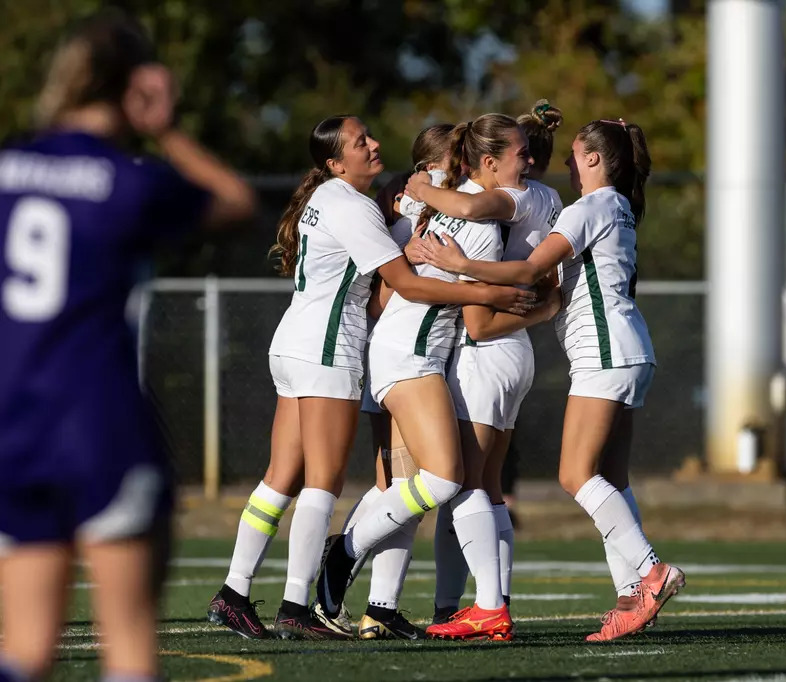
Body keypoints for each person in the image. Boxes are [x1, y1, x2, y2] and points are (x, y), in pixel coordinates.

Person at [206, 115, 535, 641]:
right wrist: (488, 291)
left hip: (297, 341)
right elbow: (403, 285)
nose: (376, 144)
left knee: (282, 478)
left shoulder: (340, 200)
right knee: (324, 484)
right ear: (336, 163)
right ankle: (297, 605)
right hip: (329, 348)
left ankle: (235, 592)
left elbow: (393, 273)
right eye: (362, 142)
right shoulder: (354, 204)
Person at [0, 11, 256, 682]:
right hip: (97, 419)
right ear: (134, 85)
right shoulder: (128, 179)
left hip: (12, 422)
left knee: (24, 653)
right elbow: (234, 202)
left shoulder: (7, 169)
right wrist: (164, 129)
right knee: (131, 657)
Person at [414, 118, 686, 642]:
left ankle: (650, 573)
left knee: (575, 475)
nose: (563, 164)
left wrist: (459, 263)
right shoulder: (619, 206)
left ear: (592, 160)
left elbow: (526, 271)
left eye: (574, 155)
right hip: (630, 351)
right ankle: (632, 593)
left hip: (603, 355)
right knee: (612, 479)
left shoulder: (592, 206)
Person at [314, 113, 562, 642]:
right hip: (412, 356)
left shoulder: (448, 206)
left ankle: (387, 605)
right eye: (517, 157)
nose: (527, 166)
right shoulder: (477, 219)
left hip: (411, 352)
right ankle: (348, 549)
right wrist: (498, 294)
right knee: (449, 480)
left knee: (418, 486)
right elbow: (470, 315)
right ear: (485, 163)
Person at [403, 100, 564, 630]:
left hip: (487, 349)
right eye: (522, 154)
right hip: (514, 352)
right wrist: (542, 309)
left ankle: (489, 608)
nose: (530, 163)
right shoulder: (544, 196)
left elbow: (476, 321)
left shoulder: (499, 201)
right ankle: (469, 604)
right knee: (487, 487)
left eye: (523, 152)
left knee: (466, 486)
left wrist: (422, 192)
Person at [336, 123, 458, 641]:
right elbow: (379, 299)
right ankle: (341, 561)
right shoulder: (403, 219)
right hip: (393, 362)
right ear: (431, 168)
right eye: (457, 161)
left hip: (408, 362)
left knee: (401, 489)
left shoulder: (419, 211)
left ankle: (378, 608)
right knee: (405, 485)